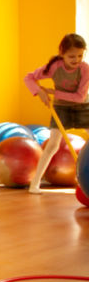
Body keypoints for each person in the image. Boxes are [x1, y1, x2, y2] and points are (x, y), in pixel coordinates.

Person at [24, 33, 89, 194]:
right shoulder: (54, 67)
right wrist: (39, 92)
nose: (76, 60)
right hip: (61, 108)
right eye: (71, 56)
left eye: (80, 56)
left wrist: (53, 92)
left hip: (82, 107)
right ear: (62, 54)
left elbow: (79, 97)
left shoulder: (85, 69)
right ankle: (35, 184)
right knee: (52, 145)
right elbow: (29, 78)